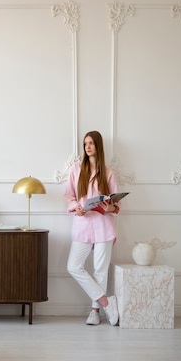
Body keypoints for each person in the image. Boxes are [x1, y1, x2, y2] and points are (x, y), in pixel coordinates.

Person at [65, 131, 121, 326]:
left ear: (98, 145)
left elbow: (116, 204)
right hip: (82, 225)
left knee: (100, 270)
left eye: (91, 143)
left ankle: (95, 311)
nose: (88, 147)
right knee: (73, 266)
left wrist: (110, 207)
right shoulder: (76, 170)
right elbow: (69, 196)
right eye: (85, 143)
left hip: (103, 226)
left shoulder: (108, 172)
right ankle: (107, 302)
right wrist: (76, 207)